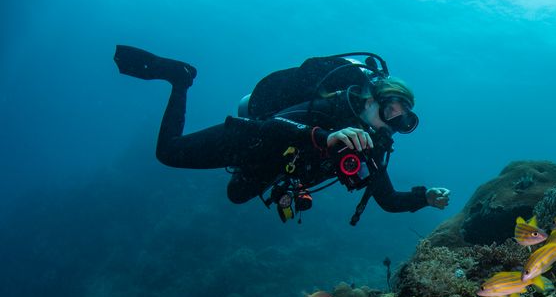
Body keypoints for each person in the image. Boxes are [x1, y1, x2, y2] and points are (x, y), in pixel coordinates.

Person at [113, 46, 450, 224]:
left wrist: (425, 197)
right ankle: (180, 79)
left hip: (275, 166)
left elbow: (388, 201)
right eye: (391, 108)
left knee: (237, 194)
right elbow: (273, 125)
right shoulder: (327, 108)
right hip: (253, 139)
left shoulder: (371, 148)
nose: (390, 122)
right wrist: (325, 137)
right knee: (168, 153)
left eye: (401, 120)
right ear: (370, 97)